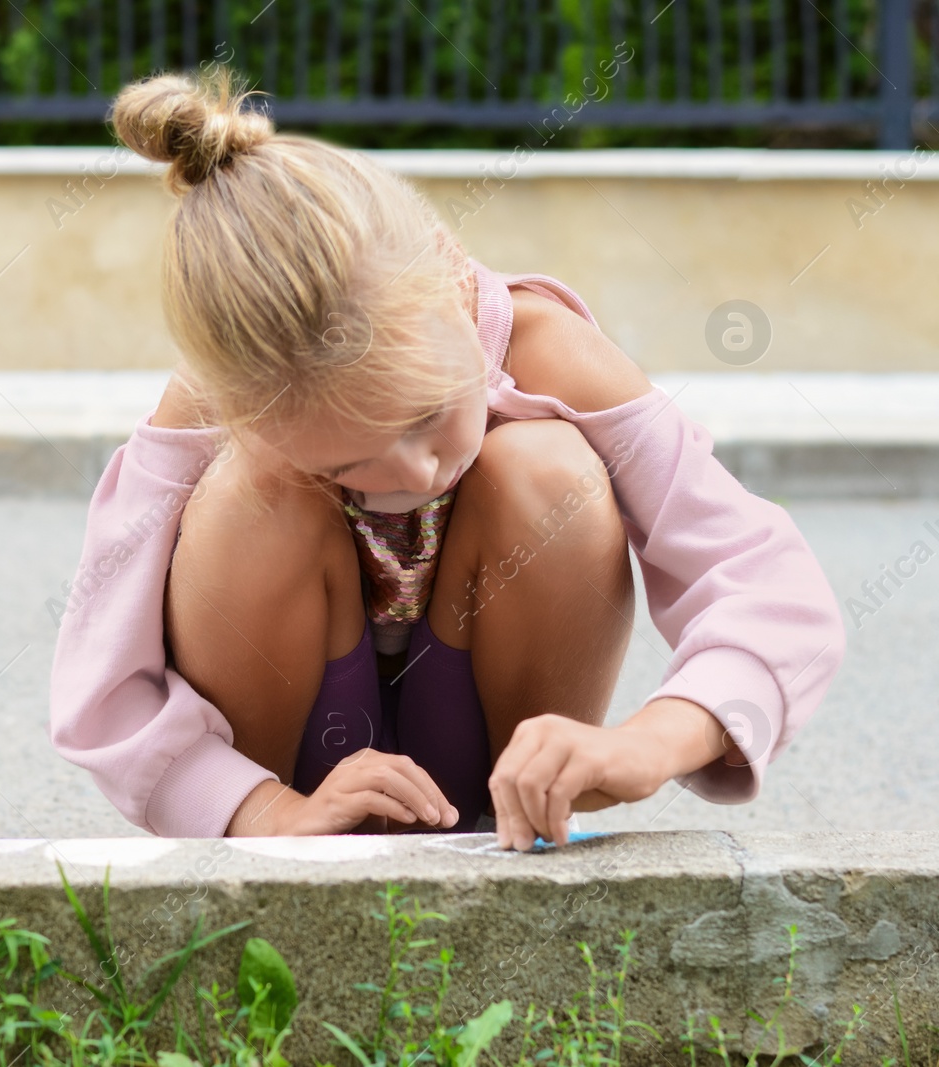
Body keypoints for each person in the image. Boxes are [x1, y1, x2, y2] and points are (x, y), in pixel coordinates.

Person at [48, 66, 845, 851]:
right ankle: (281, 859)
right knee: (252, 492)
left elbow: (776, 592)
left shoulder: (551, 352)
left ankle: (529, 815)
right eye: (350, 464)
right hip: (291, 782)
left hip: (487, 768)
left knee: (546, 471)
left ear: (449, 276)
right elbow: (100, 680)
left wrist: (647, 745)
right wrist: (257, 812)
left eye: (429, 415)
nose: (417, 473)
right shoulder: (222, 401)